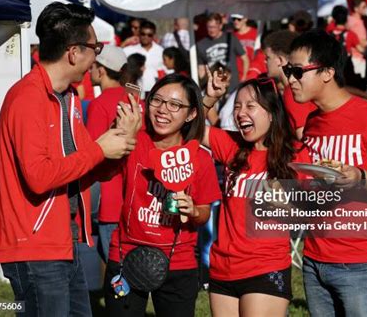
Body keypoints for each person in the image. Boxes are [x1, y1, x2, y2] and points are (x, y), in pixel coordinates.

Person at [0, 2, 141, 316]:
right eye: (95, 48)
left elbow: (85, 168)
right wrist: (101, 149)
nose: (96, 58)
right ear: (74, 52)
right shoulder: (27, 98)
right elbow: (40, 176)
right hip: (33, 245)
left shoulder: (68, 98)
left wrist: (122, 143)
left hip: (63, 241)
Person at [287, 29, 367, 317]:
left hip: (363, 263)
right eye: (287, 70)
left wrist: (360, 177)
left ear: (327, 72)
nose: (290, 79)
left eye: (297, 71)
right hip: (315, 258)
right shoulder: (313, 122)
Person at [104, 74, 221, 316]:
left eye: (175, 105)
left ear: (190, 114)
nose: (163, 110)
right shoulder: (133, 141)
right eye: (157, 100)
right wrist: (120, 131)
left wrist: (193, 210)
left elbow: (204, 214)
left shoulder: (200, 158)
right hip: (126, 255)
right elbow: (101, 168)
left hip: (178, 262)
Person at [201, 73, 303, 317]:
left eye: (250, 106)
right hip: (222, 267)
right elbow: (186, 126)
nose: (240, 113)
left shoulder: (295, 155)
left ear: (270, 112)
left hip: (264, 268)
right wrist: (209, 98)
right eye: (236, 106)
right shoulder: (232, 145)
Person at [87, 45, 144, 262]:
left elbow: (93, 152)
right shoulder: (137, 100)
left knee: (116, 270)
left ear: (101, 70)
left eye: (93, 66)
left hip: (110, 199)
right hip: (136, 197)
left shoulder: (99, 104)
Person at [262, 30, 317, 140]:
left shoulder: (293, 91)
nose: (264, 62)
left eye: (268, 58)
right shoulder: (299, 87)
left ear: (280, 60)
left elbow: (303, 137)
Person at [197, 13, 249, 92]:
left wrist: (244, 78)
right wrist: (205, 85)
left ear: (220, 26)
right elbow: (201, 69)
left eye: (214, 27)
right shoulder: (201, 44)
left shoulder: (230, 38)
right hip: (214, 87)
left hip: (232, 86)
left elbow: (245, 59)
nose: (211, 30)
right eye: (209, 27)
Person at [123, 20, 165, 94]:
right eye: (143, 34)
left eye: (149, 35)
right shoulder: (129, 50)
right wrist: (124, 43)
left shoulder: (161, 51)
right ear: (139, 34)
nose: (146, 37)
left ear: (154, 35)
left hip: (155, 90)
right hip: (135, 91)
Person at [231, 14, 257, 81]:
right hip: (236, 75)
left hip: (253, 74)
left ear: (245, 19)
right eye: (234, 19)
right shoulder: (231, 35)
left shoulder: (256, 33)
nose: (236, 21)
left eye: (239, 19)